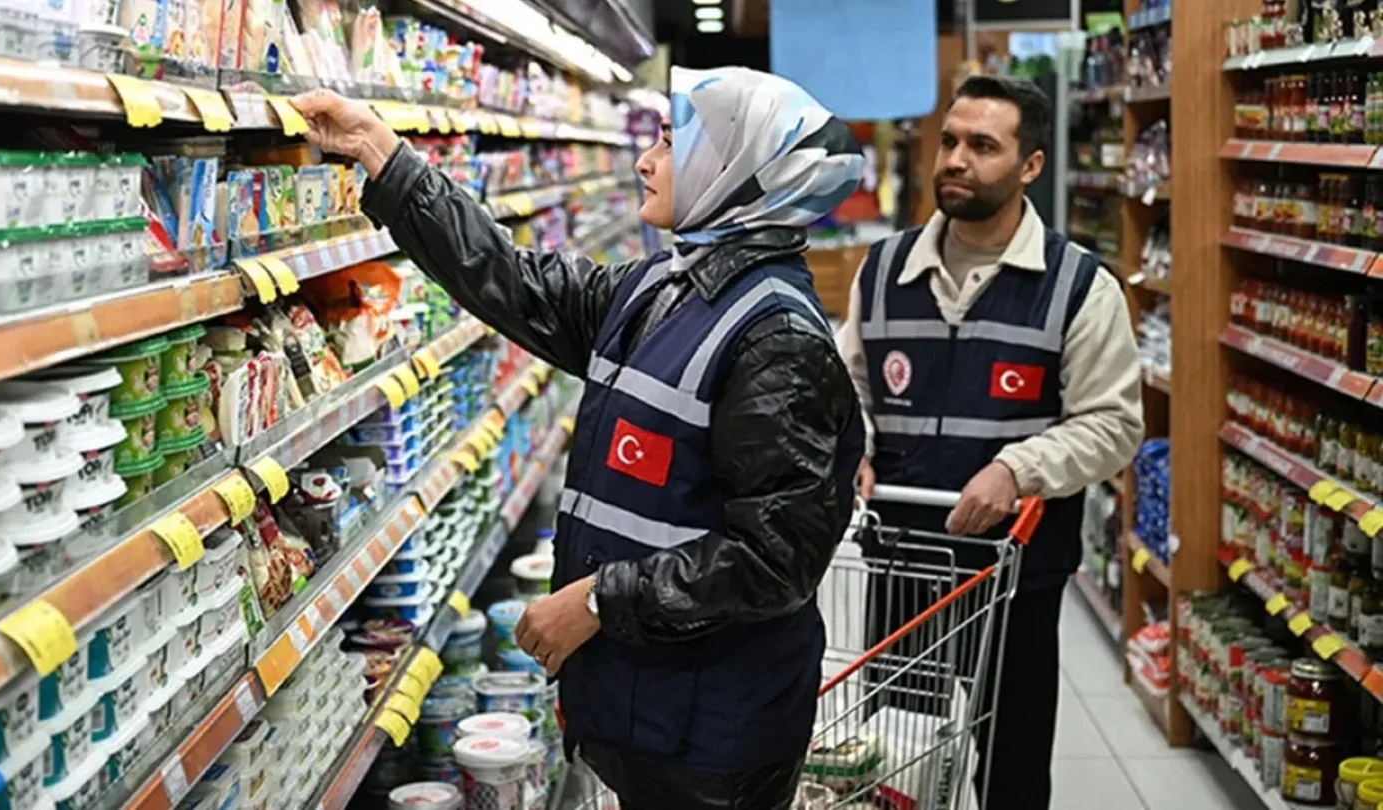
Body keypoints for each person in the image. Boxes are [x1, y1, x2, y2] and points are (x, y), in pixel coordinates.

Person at [292, 66, 867, 809]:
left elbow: (774, 559)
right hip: (652, 709)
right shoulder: (659, 289)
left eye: (670, 141)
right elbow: (512, 278)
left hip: (716, 735)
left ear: (737, 172)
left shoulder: (777, 341)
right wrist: (382, 152)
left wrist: (597, 600)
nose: (645, 159)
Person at [835, 74, 1144, 810]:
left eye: (983, 145)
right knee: (899, 768)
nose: (955, 160)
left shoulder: (1080, 286)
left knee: (1012, 772)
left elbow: (1113, 423)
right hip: (906, 566)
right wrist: (857, 445)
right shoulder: (882, 271)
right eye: (949, 141)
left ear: (1030, 165)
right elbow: (847, 387)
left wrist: (1017, 468)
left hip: (1018, 574)